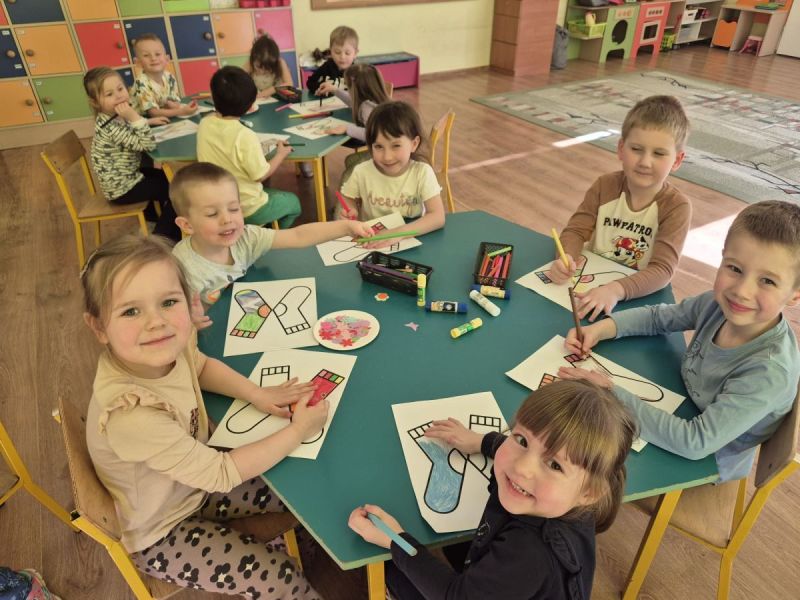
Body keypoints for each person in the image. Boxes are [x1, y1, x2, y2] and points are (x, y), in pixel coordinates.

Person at [82, 234, 325, 599]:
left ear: (188, 299)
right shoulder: (132, 415)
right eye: (131, 311)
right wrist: (299, 430)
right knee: (279, 577)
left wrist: (257, 394)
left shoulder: (170, 347)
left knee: (297, 489)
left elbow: (199, 365)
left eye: (168, 302)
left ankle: (303, 546)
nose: (157, 322)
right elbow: (221, 473)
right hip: (163, 531)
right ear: (99, 327)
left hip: (194, 487)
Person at [558, 200, 800, 483]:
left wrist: (611, 393)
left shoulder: (768, 372)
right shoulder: (717, 304)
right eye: (734, 268)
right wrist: (602, 329)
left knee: (580, 465)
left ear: (795, 296)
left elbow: (694, 443)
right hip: (681, 405)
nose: (742, 291)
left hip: (706, 463)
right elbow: (660, 317)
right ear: (721, 258)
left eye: (768, 281)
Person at [349, 380, 636, 599]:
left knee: (389, 569)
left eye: (554, 465)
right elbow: (511, 446)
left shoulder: (528, 555)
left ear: (589, 494)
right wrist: (479, 441)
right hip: (503, 576)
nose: (522, 468)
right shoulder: (574, 496)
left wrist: (395, 540)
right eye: (522, 440)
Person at [549, 95, 692, 321]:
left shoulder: (676, 207)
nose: (645, 162)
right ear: (621, 149)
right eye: (636, 149)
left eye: (659, 153)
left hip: (636, 298)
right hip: (586, 289)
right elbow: (575, 231)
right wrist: (565, 257)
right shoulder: (604, 186)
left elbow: (663, 270)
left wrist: (615, 290)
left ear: (677, 160)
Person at [170, 162, 374, 308]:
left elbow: (298, 236)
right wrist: (194, 320)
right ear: (187, 225)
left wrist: (346, 227)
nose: (227, 219)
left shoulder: (247, 238)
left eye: (234, 209)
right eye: (212, 214)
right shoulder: (182, 269)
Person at [83, 66, 180, 241]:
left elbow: (128, 129)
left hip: (127, 178)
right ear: (95, 102)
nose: (119, 96)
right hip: (123, 189)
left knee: (167, 177)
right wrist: (135, 117)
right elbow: (147, 145)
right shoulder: (111, 127)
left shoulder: (111, 117)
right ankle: (162, 237)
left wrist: (147, 121)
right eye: (109, 94)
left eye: (120, 89)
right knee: (178, 191)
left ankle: (151, 220)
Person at [197, 66, 301, 229]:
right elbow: (260, 175)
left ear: (213, 98)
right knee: (294, 204)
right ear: (250, 106)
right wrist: (281, 154)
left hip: (216, 204)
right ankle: (269, 236)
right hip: (246, 209)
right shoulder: (244, 135)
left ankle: (253, 230)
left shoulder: (204, 123)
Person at [339, 101, 445, 244]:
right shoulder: (361, 172)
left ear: (414, 144)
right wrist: (351, 209)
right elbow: (347, 197)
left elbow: (437, 217)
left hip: (410, 240)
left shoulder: (422, 173)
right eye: (379, 146)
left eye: (396, 146)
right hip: (372, 240)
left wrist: (398, 233)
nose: (387, 157)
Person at [130, 33, 198, 119]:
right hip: (142, 120)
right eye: (146, 55)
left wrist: (174, 105)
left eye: (157, 54)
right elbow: (153, 113)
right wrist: (182, 111)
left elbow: (175, 102)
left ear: (167, 59)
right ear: (138, 63)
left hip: (163, 117)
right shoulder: (141, 82)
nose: (153, 58)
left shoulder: (170, 77)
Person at [319, 63, 390, 143]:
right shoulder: (375, 99)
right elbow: (353, 101)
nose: (347, 88)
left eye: (347, 85)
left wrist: (347, 128)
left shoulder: (367, 107)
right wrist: (334, 90)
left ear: (355, 88)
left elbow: (373, 135)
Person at [306, 25, 359, 96]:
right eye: (337, 52)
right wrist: (320, 87)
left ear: (355, 53)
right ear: (330, 52)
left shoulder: (357, 72)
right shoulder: (326, 66)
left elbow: (362, 94)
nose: (342, 57)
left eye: (347, 53)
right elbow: (310, 83)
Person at [244, 34, 293, 100]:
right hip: (260, 99)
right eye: (258, 67)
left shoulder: (280, 63)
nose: (262, 71)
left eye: (267, 69)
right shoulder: (250, 64)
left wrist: (271, 90)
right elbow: (238, 79)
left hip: (278, 98)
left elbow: (289, 84)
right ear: (252, 59)